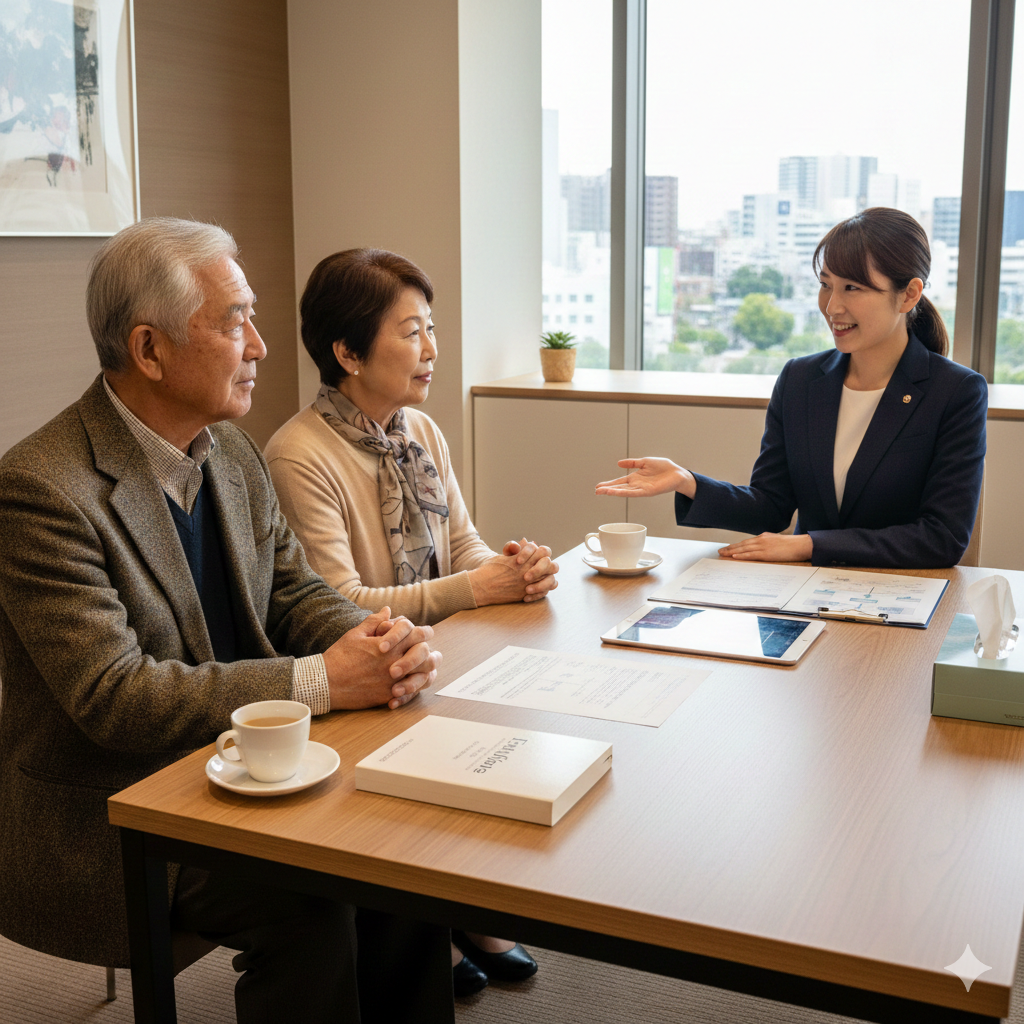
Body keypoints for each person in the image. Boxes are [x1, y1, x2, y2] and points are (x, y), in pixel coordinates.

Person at [0, 218, 449, 1024]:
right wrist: (321, 680)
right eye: (234, 319)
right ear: (150, 350)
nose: (261, 345)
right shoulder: (41, 489)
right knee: (310, 905)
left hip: (247, 760)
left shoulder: (231, 454)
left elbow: (294, 592)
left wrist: (376, 642)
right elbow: (115, 697)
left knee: (401, 853)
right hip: (111, 806)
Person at [265, 247, 555, 995]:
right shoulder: (298, 453)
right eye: (411, 332)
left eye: (431, 329)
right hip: (363, 666)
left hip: (438, 647)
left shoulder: (419, 431)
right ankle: (431, 921)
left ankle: (461, 910)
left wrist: (511, 569)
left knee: (526, 705)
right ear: (347, 352)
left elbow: (464, 546)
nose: (431, 349)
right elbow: (339, 603)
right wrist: (476, 588)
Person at [596, 207, 987, 569]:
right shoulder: (801, 380)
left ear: (909, 294)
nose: (832, 307)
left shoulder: (956, 392)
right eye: (825, 285)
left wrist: (809, 545)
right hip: (801, 593)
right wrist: (689, 482)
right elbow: (771, 506)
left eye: (852, 288)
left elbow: (943, 538)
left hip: (900, 599)